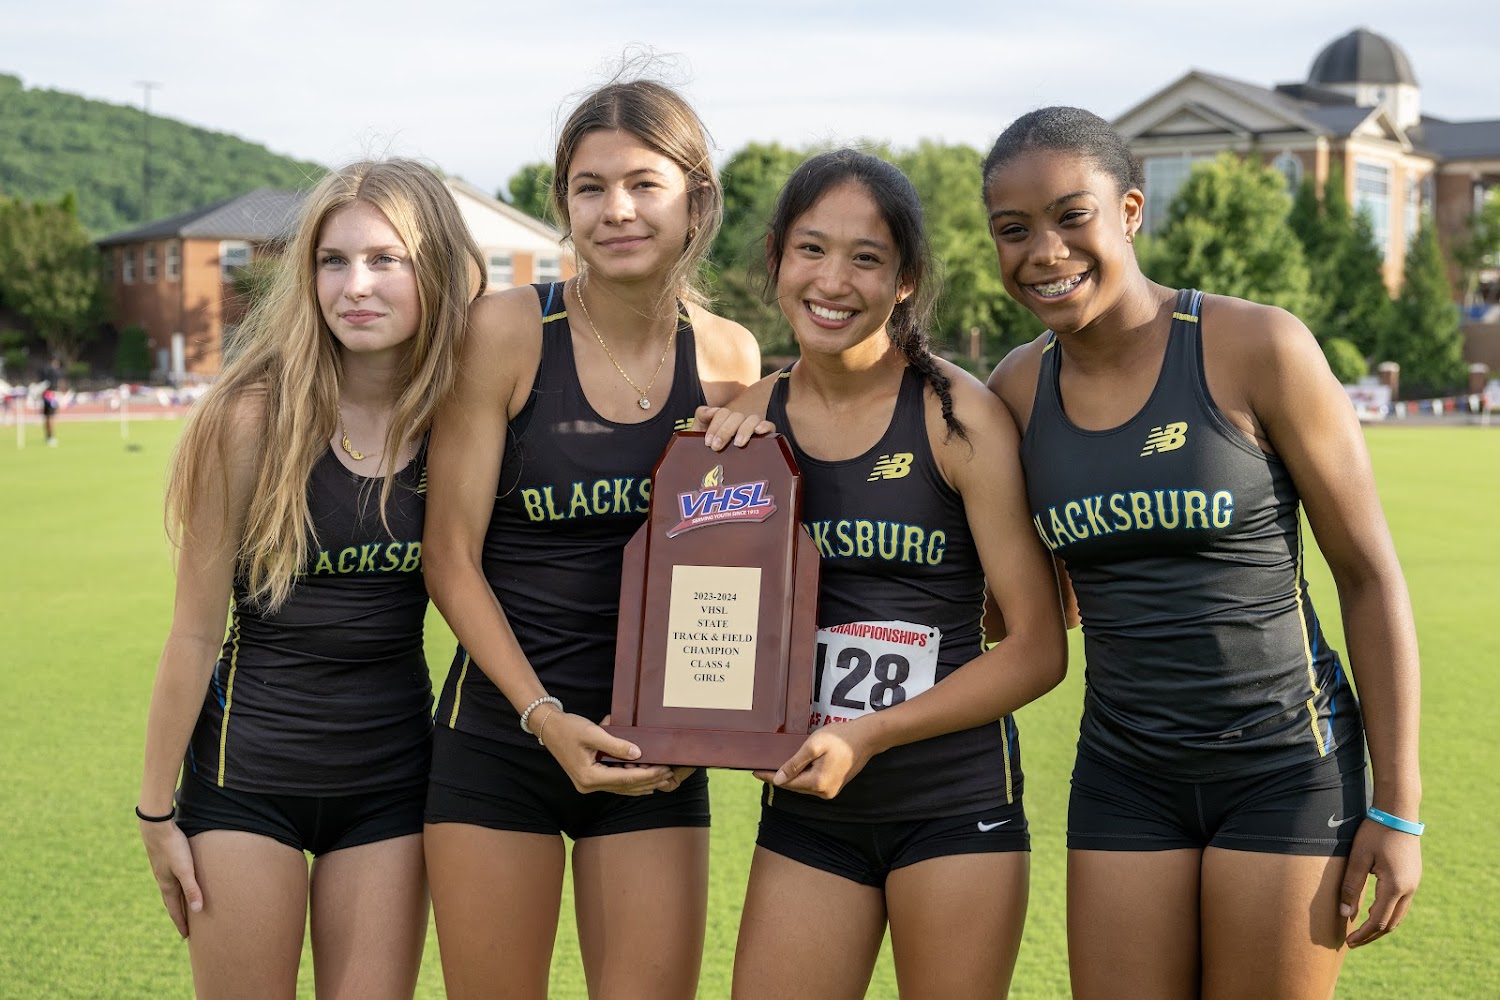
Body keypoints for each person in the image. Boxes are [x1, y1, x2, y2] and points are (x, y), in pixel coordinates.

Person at [982, 107, 1423, 1000]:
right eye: (1013, 229)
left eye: (1072, 216)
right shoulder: (1017, 389)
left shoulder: (1255, 345)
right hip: (1123, 776)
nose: (1045, 252)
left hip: (1285, 766)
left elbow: (1369, 578)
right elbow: (1011, 606)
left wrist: (1399, 807)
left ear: (1130, 211)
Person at [421, 78, 763, 1000]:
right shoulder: (504, 331)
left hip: (658, 755)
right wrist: (542, 716)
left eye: (644, 184)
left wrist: (711, 720)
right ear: (564, 203)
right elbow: (448, 556)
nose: (616, 210)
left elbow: (736, 566)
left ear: (696, 198)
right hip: (503, 738)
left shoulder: (729, 355)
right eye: (589, 187)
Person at [718, 149, 1068, 1000]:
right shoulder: (746, 423)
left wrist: (868, 734)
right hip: (808, 807)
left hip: (954, 805)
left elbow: (1037, 648)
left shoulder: (959, 418)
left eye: (866, 258)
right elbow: (717, 613)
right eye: (810, 249)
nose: (832, 281)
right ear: (775, 257)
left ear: (905, 280)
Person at [137, 159, 484, 999]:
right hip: (246, 783)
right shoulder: (251, 417)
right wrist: (154, 812)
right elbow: (193, 630)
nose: (354, 285)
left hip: (393, 788)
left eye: (386, 259)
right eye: (334, 261)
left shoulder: (461, 423)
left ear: (435, 269)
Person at [40, 356, 62, 446]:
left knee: (47, 417)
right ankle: (50, 436)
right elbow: (59, 384)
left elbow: (41, 383)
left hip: (45, 395)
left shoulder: (44, 371)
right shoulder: (55, 372)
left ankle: (48, 436)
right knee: (51, 416)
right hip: (51, 395)